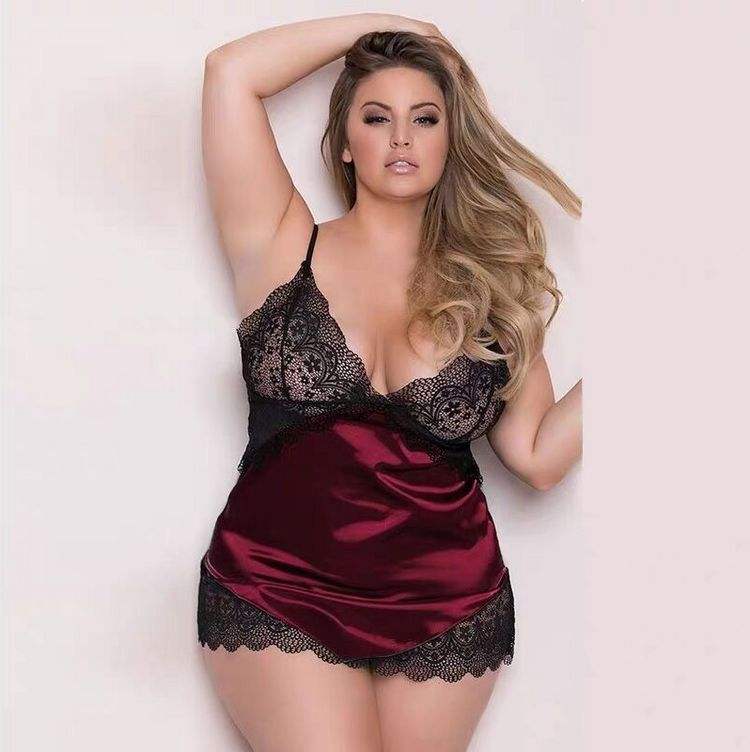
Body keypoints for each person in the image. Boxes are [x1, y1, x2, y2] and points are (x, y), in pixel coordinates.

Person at [197, 12, 582, 752]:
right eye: (377, 118)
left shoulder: (488, 290)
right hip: (278, 584)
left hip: (448, 601)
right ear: (345, 142)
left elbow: (536, 456)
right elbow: (230, 73)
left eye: (425, 118)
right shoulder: (281, 245)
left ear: (450, 140)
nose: (402, 137)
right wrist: (396, 25)